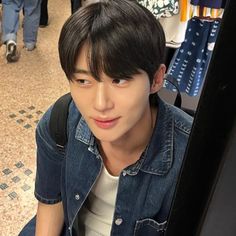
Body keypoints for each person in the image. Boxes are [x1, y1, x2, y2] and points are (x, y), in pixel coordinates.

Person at [19, 0, 193, 235]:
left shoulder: (191, 155)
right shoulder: (60, 123)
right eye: (83, 81)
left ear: (156, 79)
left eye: (119, 80)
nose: (100, 104)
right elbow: (51, 201)